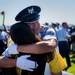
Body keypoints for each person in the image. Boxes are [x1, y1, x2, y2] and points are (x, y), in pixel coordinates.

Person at [0, 5, 66, 75]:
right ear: (23, 26)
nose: (36, 26)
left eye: (37, 21)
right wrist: (16, 62)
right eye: (30, 23)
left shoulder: (47, 30)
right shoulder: (16, 39)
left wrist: (18, 48)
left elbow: (49, 46)